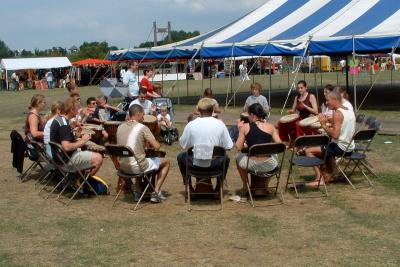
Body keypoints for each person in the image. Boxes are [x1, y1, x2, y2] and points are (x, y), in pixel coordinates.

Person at [117, 104, 170, 203]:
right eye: (142, 114)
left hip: (122, 168)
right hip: (138, 167)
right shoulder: (142, 127)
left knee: (137, 158)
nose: (143, 117)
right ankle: (156, 192)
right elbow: (157, 146)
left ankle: (138, 192)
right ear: (138, 114)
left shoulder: (120, 127)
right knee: (166, 162)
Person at [177, 98, 233, 187]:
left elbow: (182, 144)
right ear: (213, 110)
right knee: (226, 158)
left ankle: (188, 184)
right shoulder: (220, 124)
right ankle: (219, 185)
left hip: (194, 164)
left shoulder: (191, 125)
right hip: (215, 164)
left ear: (198, 110)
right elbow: (229, 146)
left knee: (180, 157)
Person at [305, 90, 355, 187]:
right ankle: (334, 174)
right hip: (350, 147)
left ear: (335, 99)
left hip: (340, 148)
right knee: (327, 145)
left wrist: (323, 125)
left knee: (309, 151)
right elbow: (341, 123)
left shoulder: (337, 113)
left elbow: (335, 135)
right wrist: (328, 119)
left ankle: (320, 179)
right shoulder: (349, 110)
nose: (326, 103)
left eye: (328, 100)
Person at [49, 97, 103, 176]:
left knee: (88, 152)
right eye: (77, 109)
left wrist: (75, 136)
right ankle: (84, 181)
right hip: (66, 161)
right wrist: (83, 140)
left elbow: (62, 140)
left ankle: (79, 178)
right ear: (71, 109)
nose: (78, 111)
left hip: (59, 158)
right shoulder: (63, 124)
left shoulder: (58, 120)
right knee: (98, 158)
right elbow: (66, 147)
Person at [235, 103, 282, 191]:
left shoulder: (245, 127)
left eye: (248, 115)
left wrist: (239, 129)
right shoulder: (271, 126)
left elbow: (238, 147)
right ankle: (266, 186)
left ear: (252, 115)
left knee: (238, 157)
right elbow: (279, 145)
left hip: (252, 164)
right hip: (269, 165)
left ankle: (246, 185)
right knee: (275, 155)